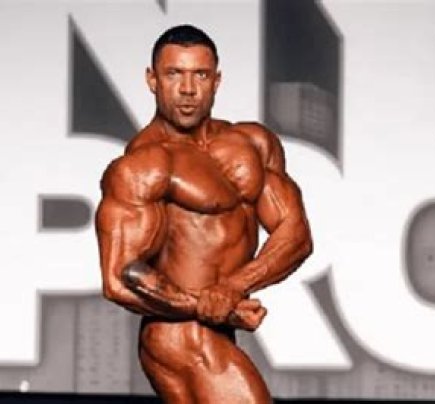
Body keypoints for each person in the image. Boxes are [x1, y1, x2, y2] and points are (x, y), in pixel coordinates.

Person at [95, 24, 313, 403]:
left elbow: (296, 236)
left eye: (200, 75)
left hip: (217, 332)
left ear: (217, 80)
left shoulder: (254, 144)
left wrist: (232, 288)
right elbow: (119, 279)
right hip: (178, 336)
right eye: (173, 74)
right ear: (152, 80)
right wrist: (205, 306)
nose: (188, 89)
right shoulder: (143, 166)